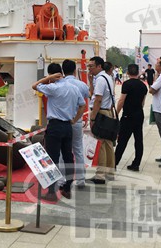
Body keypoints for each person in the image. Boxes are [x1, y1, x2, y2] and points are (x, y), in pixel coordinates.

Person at [32, 63, 85, 200]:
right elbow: (82, 105)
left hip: (55, 126)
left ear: (51, 75)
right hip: (68, 126)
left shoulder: (53, 88)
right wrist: (74, 119)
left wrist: (47, 78)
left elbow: (34, 86)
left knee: (52, 159)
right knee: (68, 157)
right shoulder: (74, 88)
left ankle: (51, 192)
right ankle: (67, 188)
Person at [61, 59, 90, 188]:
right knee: (78, 149)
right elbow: (88, 96)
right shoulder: (82, 85)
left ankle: (63, 179)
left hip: (63, 121)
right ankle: (81, 179)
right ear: (74, 70)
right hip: (77, 120)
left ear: (63, 71)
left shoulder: (59, 84)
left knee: (62, 150)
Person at [88, 56, 116, 184]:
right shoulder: (107, 77)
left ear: (99, 66)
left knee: (100, 144)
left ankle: (100, 175)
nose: (89, 69)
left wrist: (93, 117)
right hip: (108, 112)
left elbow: (98, 99)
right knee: (108, 144)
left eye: (91, 66)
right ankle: (110, 172)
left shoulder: (100, 79)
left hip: (101, 113)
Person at [114, 63, 148, 171]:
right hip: (139, 115)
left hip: (128, 115)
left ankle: (114, 163)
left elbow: (121, 100)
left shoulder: (126, 84)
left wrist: (116, 113)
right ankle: (136, 163)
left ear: (128, 72)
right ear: (138, 72)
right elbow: (142, 102)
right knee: (138, 140)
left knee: (122, 140)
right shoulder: (143, 86)